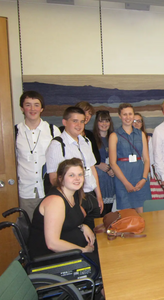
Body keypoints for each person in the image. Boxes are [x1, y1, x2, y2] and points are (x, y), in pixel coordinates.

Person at [28, 158, 98, 264]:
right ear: (60, 178)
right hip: (54, 257)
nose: (77, 179)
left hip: (71, 252)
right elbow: (52, 244)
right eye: (71, 175)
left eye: (80, 175)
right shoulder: (56, 201)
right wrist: (83, 250)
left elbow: (68, 220)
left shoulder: (73, 194)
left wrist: (83, 226)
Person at [46, 107, 104, 230]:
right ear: (64, 122)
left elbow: (92, 169)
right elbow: (54, 179)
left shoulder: (86, 141)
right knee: (79, 236)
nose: (79, 125)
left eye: (82, 121)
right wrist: (74, 205)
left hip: (91, 196)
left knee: (95, 235)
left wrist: (99, 195)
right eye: (75, 121)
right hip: (73, 198)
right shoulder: (57, 145)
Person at [15, 91, 61, 221]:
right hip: (26, 191)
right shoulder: (15, 132)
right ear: (22, 108)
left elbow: (60, 162)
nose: (32, 109)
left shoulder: (53, 130)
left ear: (41, 108)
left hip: (49, 190)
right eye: (28, 105)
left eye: (36, 105)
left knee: (51, 227)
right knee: (29, 229)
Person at [109, 104, 151, 213]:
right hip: (123, 178)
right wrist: (126, 183)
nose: (128, 117)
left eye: (130, 114)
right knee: (127, 216)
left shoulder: (141, 134)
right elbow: (112, 163)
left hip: (140, 176)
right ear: (119, 116)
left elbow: (146, 159)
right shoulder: (114, 135)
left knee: (143, 215)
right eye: (124, 114)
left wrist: (144, 179)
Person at [93, 110, 116, 215]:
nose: (104, 124)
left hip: (112, 179)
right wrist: (99, 164)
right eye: (101, 121)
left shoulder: (114, 137)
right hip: (99, 180)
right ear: (96, 123)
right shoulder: (91, 138)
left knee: (110, 212)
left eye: (106, 121)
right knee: (99, 211)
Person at [133, 112, 155, 177]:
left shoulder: (148, 139)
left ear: (142, 124)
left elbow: (151, 158)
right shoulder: (124, 139)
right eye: (134, 121)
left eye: (139, 121)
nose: (136, 123)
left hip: (144, 172)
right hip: (130, 170)